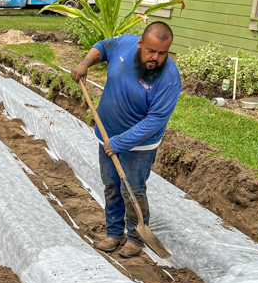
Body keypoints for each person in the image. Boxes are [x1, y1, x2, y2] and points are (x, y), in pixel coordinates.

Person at [71, 21, 181, 258]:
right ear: (140, 44)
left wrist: (120, 143)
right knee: (111, 185)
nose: (156, 58)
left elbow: (155, 121)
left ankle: (135, 238)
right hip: (107, 133)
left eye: (162, 53)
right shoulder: (124, 44)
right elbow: (102, 47)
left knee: (132, 190)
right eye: (151, 51)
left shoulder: (169, 78)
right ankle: (114, 233)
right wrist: (85, 62)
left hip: (139, 145)